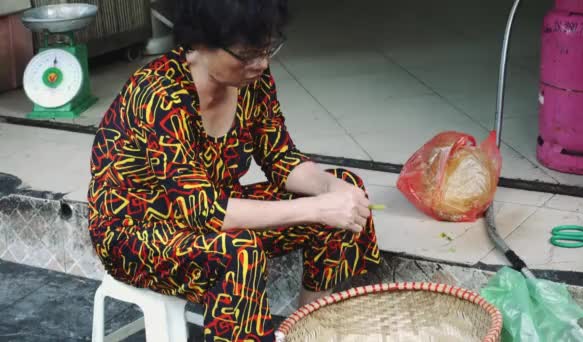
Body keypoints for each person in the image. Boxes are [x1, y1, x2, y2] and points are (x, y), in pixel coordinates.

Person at [87, 0, 380, 340]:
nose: (262, 63)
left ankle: (311, 329)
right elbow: (205, 211)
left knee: (345, 189)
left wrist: (330, 191)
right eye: (247, 54)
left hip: (215, 209)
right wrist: (316, 207)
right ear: (201, 43)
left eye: (268, 48)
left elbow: (281, 158)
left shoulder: (253, 79)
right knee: (240, 253)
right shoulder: (158, 94)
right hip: (136, 231)